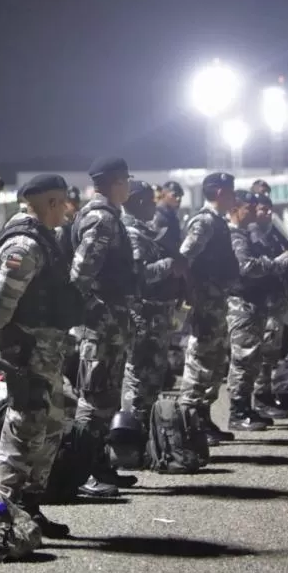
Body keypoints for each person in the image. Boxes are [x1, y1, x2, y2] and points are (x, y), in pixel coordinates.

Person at [0, 173, 78, 539]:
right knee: (25, 424)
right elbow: (2, 297)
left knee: (52, 420)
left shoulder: (45, 238)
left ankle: (30, 505)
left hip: (46, 350)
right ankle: (2, 510)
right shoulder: (24, 244)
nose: (67, 209)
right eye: (63, 202)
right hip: (26, 348)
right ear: (51, 202)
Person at [70, 157, 139, 497]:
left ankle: (99, 466)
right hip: (100, 324)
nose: (129, 186)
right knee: (93, 398)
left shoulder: (109, 215)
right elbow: (81, 274)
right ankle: (82, 472)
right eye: (126, 180)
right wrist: (91, 312)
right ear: (114, 182)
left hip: (110, 322)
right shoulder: (101, 219)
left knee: (106, 396)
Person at [179, 172, 242, 441]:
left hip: (217, 302)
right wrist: (193, 294)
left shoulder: (217, 221)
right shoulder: (204, 222)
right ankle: (189, 424)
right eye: (231, 192)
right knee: (200, 362)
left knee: (214, 363)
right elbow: (184, 258)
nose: (234, 198)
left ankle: (203, 417)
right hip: (206, 303)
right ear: (219, 193)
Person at [120, 180, 186, 431]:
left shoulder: (143, 230)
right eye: (150, 200)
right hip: (143, 315)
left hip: (155, 316)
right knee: (139, 377)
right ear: (137, 201)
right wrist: (170, 265)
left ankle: (145, 431)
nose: (154, 205)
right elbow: (141, 276)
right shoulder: (132, 234)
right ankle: (131, 433)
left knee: (152, 377)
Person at [226, 190, 288, 432]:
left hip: (254, 304)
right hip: (241, 304)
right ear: (236, 209)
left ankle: (247, 407)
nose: (255, 212)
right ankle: (238, 411)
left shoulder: (247, 233)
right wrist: (275, 264)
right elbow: (246, 267)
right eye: (250, 207)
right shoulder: (235, 235)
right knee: (243, 360)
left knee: (253, 359)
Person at [250, 193, 288, 418]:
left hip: (275, 300)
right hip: (261, 301)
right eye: (263, 209)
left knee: (271, 352)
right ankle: (259, 398)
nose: (268, 213)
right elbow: (256, 267)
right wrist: (280, 261)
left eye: (269, 209)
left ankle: (266, 394)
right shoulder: (252, 234)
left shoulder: (273, 232)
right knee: (263, 352)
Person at [153, 181, 184, 255]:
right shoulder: (157, 215)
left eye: (180, 195)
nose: (178, 199)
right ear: (164, 194)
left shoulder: (171, 215)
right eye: (174, 195)